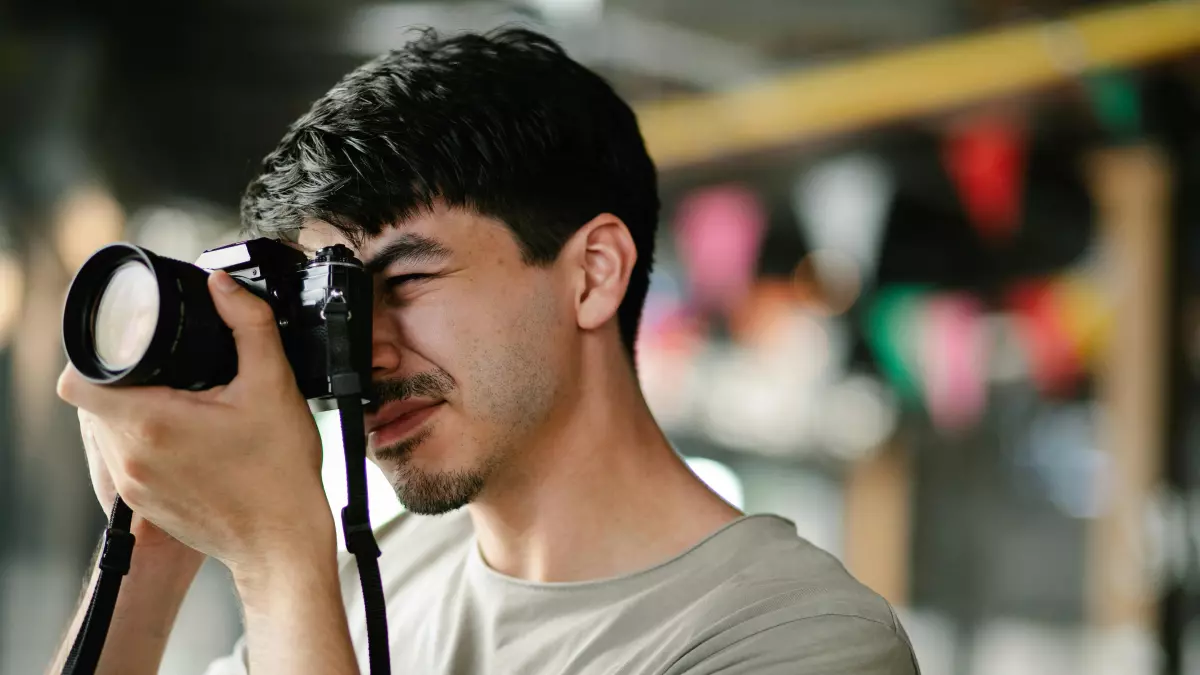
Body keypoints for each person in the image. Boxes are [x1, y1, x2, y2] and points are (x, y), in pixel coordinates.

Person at [49, 28, 919, 675]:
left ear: (593, 273)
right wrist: (154, 542)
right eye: (336, 303)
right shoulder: (361, 586)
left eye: (409, 280)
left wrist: (278, 554)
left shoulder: (797, 635)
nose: (368, 348)